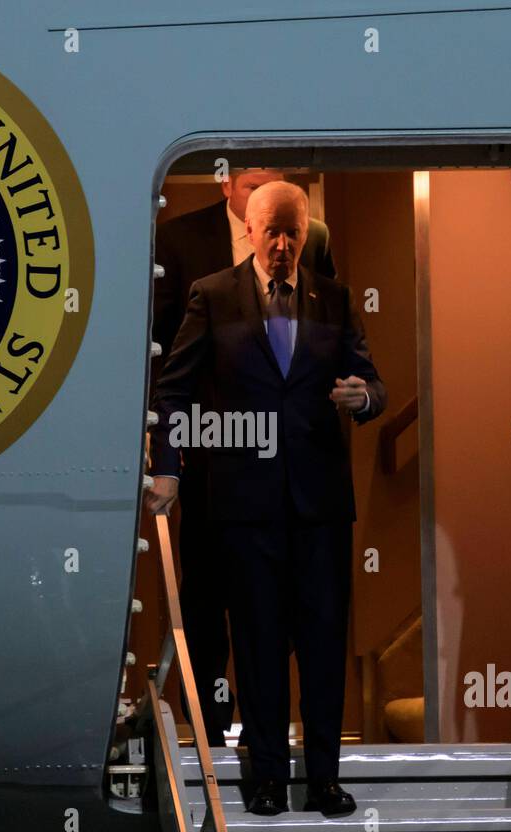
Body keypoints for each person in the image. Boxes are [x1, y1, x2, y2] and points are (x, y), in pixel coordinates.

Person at [146, 181, 386, 816]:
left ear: (305, 236)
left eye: (292, 232)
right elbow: (174, 391)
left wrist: (364, 398)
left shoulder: (333, 299)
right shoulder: (212, 296)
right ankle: (268, 778)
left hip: (319, 506)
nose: (281, 244)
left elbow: (374, 381)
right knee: (255, 642)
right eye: (270, 231)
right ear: (248, 230)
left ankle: (326, 777)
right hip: (243, 504)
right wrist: (168, 469)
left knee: (323, 640)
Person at [152, 169, 336, 748]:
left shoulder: (316, 240)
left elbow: (323, 337)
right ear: (225, 183)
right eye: (254, 179)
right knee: (206, 598)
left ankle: (267, 735)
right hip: (214, 454)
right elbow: (165, 359)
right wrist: (168, 455)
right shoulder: (179, 240)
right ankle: (208, 730)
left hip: (285, 467)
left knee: (280, 605)